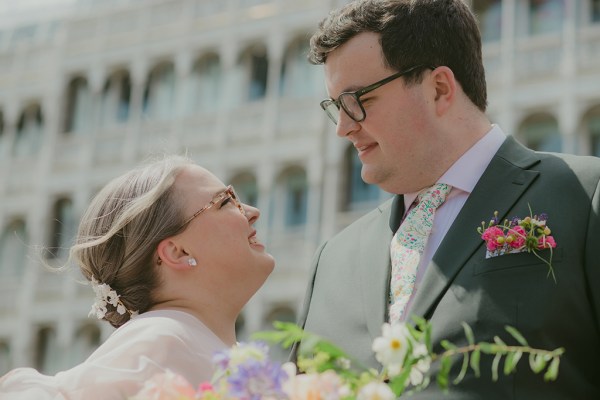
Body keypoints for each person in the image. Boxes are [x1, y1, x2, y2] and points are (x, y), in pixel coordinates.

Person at [295, 0, 600, 398]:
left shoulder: (585, 194)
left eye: (359, 101)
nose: (344, 129)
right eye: (337, 107)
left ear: (439, 88)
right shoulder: (331, 261)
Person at [0, 155, 275, 399]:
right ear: (177, 252)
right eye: (226, 201)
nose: (252, 212)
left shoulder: (184, 341)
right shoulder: (162, 342)